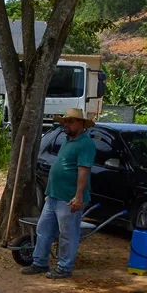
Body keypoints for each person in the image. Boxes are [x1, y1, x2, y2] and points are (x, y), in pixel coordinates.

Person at [23, 107, 96, 279]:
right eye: (65, 122)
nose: (67, 125)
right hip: (54, 195)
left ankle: (64, 268)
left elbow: (83, 171)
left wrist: (78, 196)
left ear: (81, 123)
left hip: (69, 199)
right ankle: (39, 262)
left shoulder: (85, 144)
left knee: (67, 235)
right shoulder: (68, 141)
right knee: (44, 230)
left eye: (71, 122)